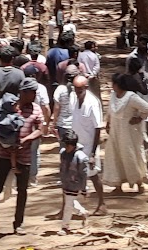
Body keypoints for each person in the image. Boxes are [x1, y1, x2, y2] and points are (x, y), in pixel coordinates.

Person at [0, 78, 44, 237]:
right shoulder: (9, 105)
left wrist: (28, 139)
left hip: (24, 157)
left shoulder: (36, 109)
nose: (34, 96)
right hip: (4, 155)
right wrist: (4, 141)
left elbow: (40, 129)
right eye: (32, 93)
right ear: (23, 93)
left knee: (22, 191)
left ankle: (18, 224)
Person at [102, 71, 148, 193]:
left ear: (117, 84)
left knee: (130, 156)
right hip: (115, 132)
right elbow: (110, 111)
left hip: (128, 133)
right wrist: (108, 123)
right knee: (115, 156)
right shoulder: (113, 96)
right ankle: (118, 184)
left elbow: (146, 108)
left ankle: (139, 183)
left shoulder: (131, 97)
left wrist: (139, 118)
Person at [66, 72, 107, 215]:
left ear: (86, 87)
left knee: (93, 174)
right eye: (75, 90)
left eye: (80, 90)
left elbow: (97, 128)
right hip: (75, 144)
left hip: (89, 145)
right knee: (69, 174)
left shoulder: (93, 102)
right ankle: (66, 208)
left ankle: (102, 204)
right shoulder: (73, 98)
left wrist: (92, 153)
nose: (77, 93)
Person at [56, 130, 90, 231]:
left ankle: (65, 226)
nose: (66, 147)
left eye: (68, 145)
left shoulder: (81, 157)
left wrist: (83, 189)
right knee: (69, 202)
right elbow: (62, 167)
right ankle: (82, 212)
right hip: (66, 183)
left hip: (75, 184)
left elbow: (83, 175)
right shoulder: (63, 153)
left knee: (68, 206)